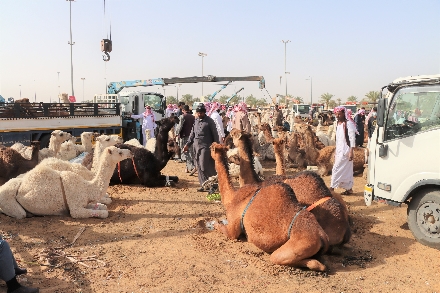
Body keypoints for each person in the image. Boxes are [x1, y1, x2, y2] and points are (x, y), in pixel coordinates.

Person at [183, 104, 220, 192]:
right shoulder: (196, 121)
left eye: (201, 113)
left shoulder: (209, 121)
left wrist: (217, 147)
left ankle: (213, 184)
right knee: (199, 166)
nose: (199, 114)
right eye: (198, 113)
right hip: (196, 147)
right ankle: (204, 185)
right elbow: (192, 134)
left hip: (206, 147)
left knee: (204, 166)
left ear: (204, 112)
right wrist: (187, 145)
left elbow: (215, 135)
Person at [330, 106, 356, 195]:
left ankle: (332, 188)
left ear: (343, 114)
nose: (337, 115)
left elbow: (352, 138)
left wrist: (351, 151)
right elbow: (338, 140)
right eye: (336, 114)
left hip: (346, 151)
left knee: (336, 169)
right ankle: (349, 189)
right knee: (346, 171)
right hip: (339, 151)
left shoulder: (348, 124)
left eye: (339, 114)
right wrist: (335, 152)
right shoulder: (338, 124)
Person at [175, 105, 196, 173]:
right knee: (191, 152)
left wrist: (176, 134)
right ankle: (187, 168)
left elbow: (179, 127)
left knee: (185, 151)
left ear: (183, 110)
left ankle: (192, 167)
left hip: (184, 136)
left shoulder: (182, 116)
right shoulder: (193, 117)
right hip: (192, 137)